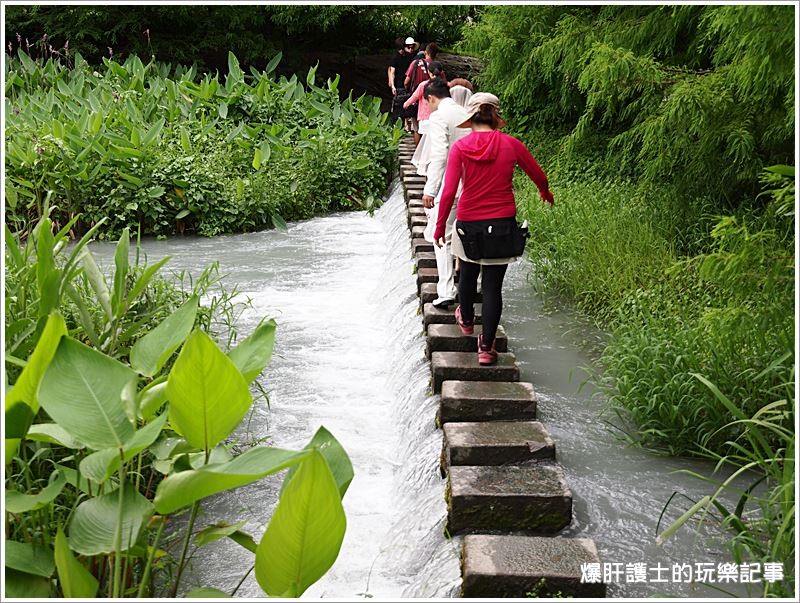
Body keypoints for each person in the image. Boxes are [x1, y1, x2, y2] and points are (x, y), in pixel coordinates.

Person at [434, 93, 554, 365]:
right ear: (495, 117)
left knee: (466, 271)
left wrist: (440, 226)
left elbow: (449, 191)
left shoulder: (461, 148)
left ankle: (465, 319)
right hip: (501, 223)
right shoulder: (511, 145)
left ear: (471, 116)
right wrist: (545, 192)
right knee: (492, 286)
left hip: (468, 222)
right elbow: (538, 174)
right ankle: (486, 348)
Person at [417, 79, 472, 308]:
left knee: (441, 237)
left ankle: (446, 290)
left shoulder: (439, 117)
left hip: (449, 187)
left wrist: (430, 190)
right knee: (465, 236)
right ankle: (470, 288)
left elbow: (439, 155)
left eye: (427, 103)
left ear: (430, 98)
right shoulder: (465, 112)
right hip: (471, 185)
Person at [404, 42, 442, 146]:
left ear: (425, 52)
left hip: (417, 102)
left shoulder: (415, 63)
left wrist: (407, 92)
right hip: (434, 106)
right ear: (436, 54)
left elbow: (406, 81)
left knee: (416, 128)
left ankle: (418, 152)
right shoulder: (438, 68)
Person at [402, 61, 445, 137]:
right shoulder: (445, 86)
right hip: (441, 119)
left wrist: (405, 104)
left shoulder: (424, 85)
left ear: (429, 72)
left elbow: (414, 97)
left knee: (425, 143)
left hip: (425, 118)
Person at [388, 37, 418, 125]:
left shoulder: (410, 57)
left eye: (412, 47)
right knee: (398, 107)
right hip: (399, 85)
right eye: (408, 47)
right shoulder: (395, 57)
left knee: (408, 106)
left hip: (407, 85)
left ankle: (406, 125)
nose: (410, 49)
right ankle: (397, 126)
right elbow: (392, 72)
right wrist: (393, 86)